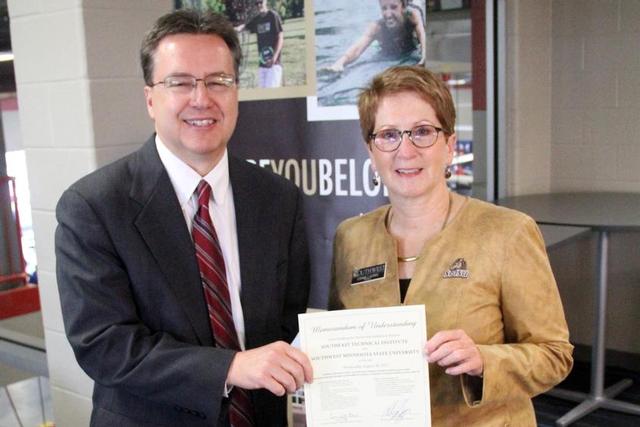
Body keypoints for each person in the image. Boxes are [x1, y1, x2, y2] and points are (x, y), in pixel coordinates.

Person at [55, 10, 312, 427]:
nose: (201, 98)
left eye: (218, 82)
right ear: (150, 99)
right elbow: (104, 345)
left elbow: (287, 318)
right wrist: (230, 368)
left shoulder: (278, 198)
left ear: (236, 92)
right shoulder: (93, 207)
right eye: (180, 83)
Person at [329, 65, 573, 426]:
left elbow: (554, 355)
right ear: (371, 149)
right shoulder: (350, 237)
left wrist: (484, 361)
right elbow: (342, 350)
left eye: (423, 132)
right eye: (389, 135)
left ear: (450, 145)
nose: (405, 150)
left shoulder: (507, 232)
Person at [327, 0, 426, 73]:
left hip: (411, 50)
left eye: (393, 7)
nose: (388, 14)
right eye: (384, 8)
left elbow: (422, 36)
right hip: (388, 53)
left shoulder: (412, 16)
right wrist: (340, 62)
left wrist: (424, 56)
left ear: (403, 7)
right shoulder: (377, 27)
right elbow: (357, 48)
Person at [235, 0, 284, 88]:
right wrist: (235, 29)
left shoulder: (273, 16)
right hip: (262, 64)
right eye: (256, 3)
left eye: (261, 2)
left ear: (265, 2)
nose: (259, 5)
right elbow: (245, 27)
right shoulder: (257, 19)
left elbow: (280, 37)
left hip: (273, 64)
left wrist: (274, 57)